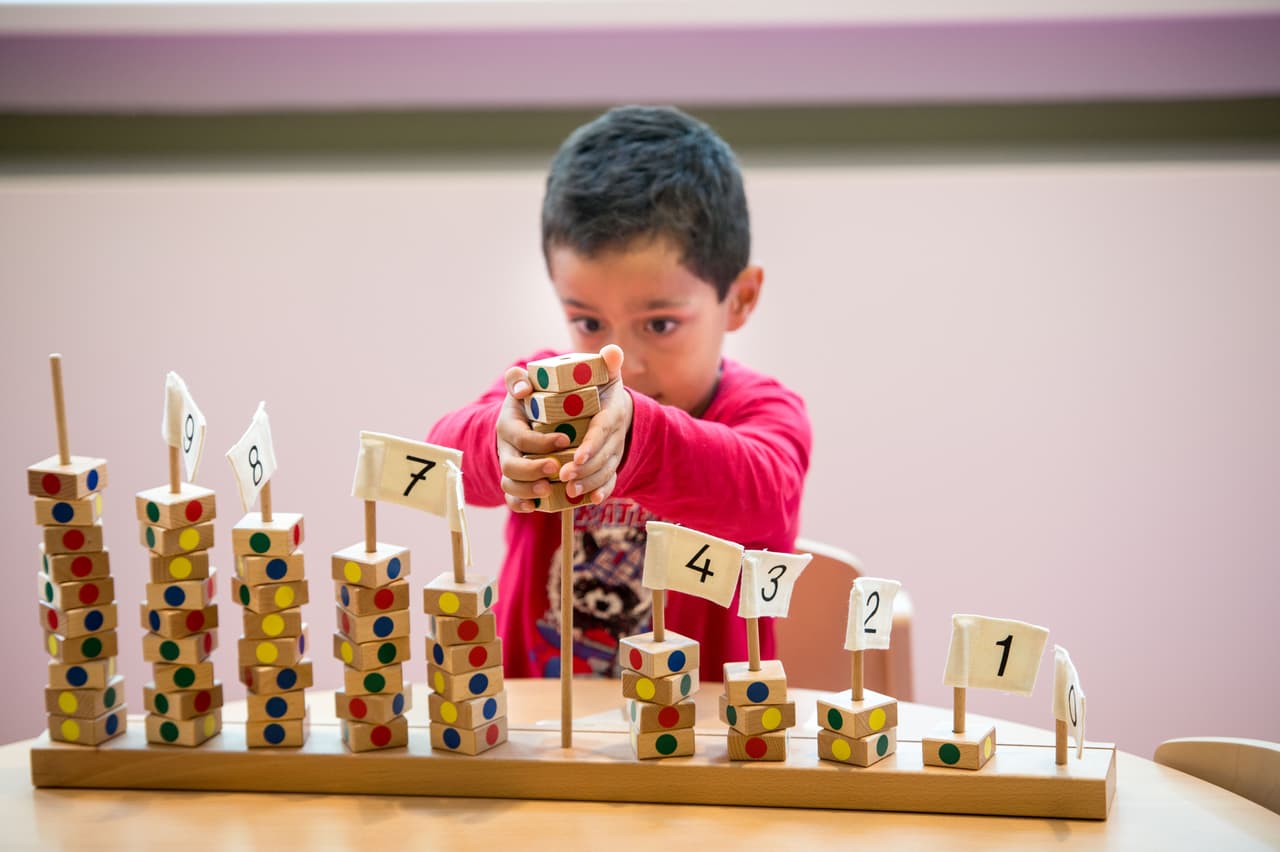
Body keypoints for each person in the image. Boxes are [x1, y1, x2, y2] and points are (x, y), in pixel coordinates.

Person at [429, 105, 811, 680]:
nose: (618, 363)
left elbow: (766, 495)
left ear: (740, 298)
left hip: (693, 744)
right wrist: (498, 442)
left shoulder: (761, 412)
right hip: (539, 731)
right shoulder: (545, 392)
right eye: (587, 321)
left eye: (658, 324)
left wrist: (640, 437)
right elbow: (442, 459)